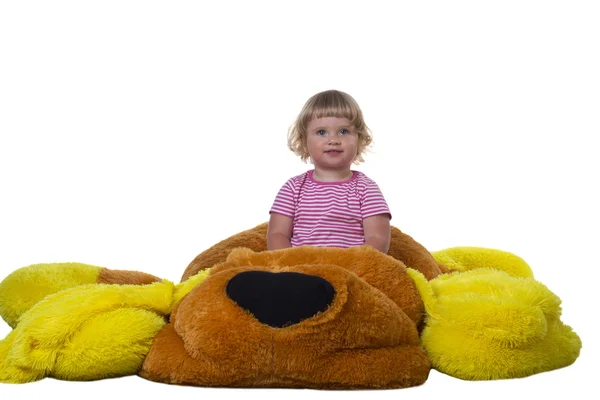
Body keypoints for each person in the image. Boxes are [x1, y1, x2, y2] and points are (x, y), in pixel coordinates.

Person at [267, 89, 391, 253]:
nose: (333, 140)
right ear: (304, 141)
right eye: (321, 132)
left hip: (349, 269)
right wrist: (287, 265)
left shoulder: (366, 188)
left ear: (359, 139)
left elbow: (377, 239)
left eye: (343, 131)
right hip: (301, 270)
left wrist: (356, 266)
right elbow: (277, 234)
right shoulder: (293, 188)